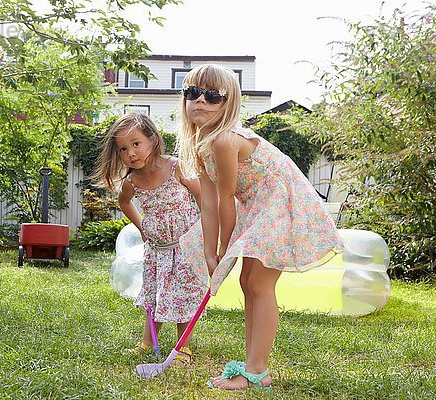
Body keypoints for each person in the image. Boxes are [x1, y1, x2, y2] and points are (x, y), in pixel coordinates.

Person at [177, 64, 344, 390]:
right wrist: (210, 253)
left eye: (212, 96)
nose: (201, 101)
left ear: (228, 104)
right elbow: (208, 203)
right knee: (249, 281)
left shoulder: (226, 140)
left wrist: (225, 249)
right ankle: (254, 366)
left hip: (283, 203)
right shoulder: (202, 147)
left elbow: (227, 199)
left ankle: (256, 370)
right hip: (259, 206)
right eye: (193, 93)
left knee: (258, 284)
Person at [93, 112, 208, 366]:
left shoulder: (177, 167)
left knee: (183, 296)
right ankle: (146, 343)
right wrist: (142, 227)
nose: (131, 153)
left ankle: (182, 349)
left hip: (185, 247)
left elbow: (202, 197)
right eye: (123, 149)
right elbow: (123, 203)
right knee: (154, 297)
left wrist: (205, 231)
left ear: (153, 139)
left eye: (136, 144)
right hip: (157, 250)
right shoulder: (132, 182)